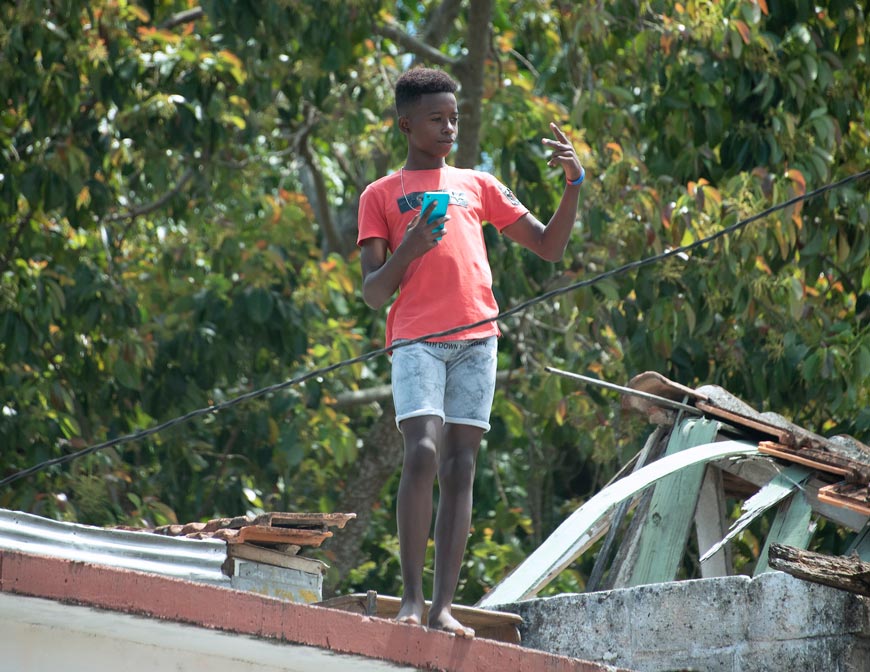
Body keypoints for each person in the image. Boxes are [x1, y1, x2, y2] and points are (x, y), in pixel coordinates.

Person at [356, 66, 584, 638]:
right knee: (423, 453)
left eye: (454, 118)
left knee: (461, 467)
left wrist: (574, 184)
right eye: (436, 119)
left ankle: (442, 609)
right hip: (415, 341)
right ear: (406, 124)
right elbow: (373, 291)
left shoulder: (477, 184)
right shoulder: (380, 195)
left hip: (478, 340)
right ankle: (410, 600)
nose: (449, 128)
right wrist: (408, 247)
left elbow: (549, 247)